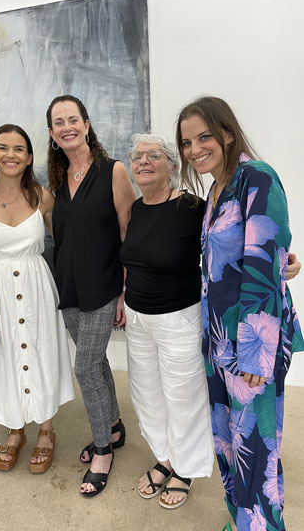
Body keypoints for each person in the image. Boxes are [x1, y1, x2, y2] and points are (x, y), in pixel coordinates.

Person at [176, 96, 304, 531]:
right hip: (220, 340)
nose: (195, 150)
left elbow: (263, 263)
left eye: (204, 137)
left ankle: (261, 526)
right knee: (231, 441)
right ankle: (245, 520)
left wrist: (256, 352)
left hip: (253, 344)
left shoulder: (257, 177)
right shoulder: (215, 188)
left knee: (255, 445)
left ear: (227, 132)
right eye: (188, 143)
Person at [0, 124, 75, 473]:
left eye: (19, 149)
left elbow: (69, 238)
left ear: (29, 158)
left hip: (37, 287)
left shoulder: (42, 196)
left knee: (41, 352)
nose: (11, 154)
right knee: (8, 355)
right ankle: (15, 430)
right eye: (3, 148)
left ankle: (45, 430)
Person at [46, 95, 136, 496]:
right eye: (58, 122)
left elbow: (129, 233)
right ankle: (113, 427)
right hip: (69, 287)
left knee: (84, 368)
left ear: (86, 123)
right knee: (95, 363)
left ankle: (103, 450)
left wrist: (125, 290)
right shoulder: (58, 177)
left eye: (72, 119)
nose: (67, 127)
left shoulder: (113, 171)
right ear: (52, 133)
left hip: (103, 286)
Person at [120, 134, 214, 509]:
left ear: (172, 167)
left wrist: (278, 262)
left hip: (179, 319)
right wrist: (124, 299)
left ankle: (185, 468)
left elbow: (230, 242)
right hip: (138, 320)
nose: (143, 161)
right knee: (148, 394)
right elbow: (133, 259)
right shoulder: (138, 208)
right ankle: (164, 458)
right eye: (138, 156)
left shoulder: (193, 207)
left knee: (183, 397)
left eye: (153, 155)